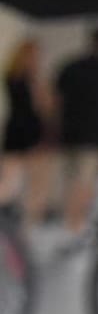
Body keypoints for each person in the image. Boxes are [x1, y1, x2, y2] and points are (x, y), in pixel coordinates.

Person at [53, 27, 98, 237]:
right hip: (93, 136)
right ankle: (75, 225)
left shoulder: (71, 67)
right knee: (84, 182)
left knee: (70, 181)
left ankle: (68, 222)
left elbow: (56, 101)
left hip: (69, 134)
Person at [0, 37, 55, 229]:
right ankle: (29, 222)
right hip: (26, 133)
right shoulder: (24, 79)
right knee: (22, 182)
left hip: (23, 132)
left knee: (24, 182)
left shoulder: (15, 76)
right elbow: (42, 106)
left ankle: (28, 222)